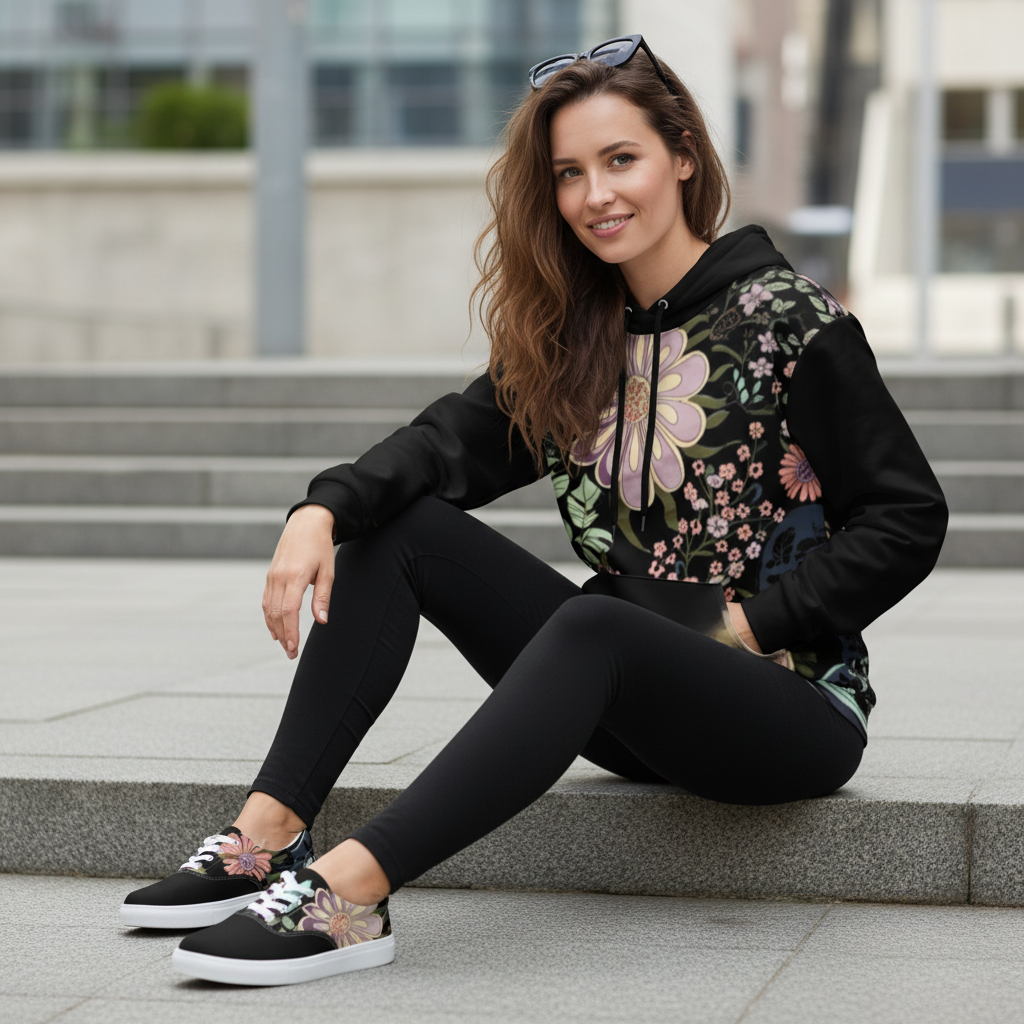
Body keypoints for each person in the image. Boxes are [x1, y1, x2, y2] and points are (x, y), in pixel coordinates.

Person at [122, 35, 947, 987]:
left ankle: (352, 892)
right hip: (636, 704)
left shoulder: (791, 321)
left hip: (788, 711)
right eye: (570, 173)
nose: (596, 194)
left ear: (683, 155)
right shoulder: (579, 338)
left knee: (596, 623)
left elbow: (907, 517)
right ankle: (267, 837)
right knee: (403, 528)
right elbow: (443, 447)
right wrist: (322, 509)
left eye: (620, 159)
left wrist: (750, 622)